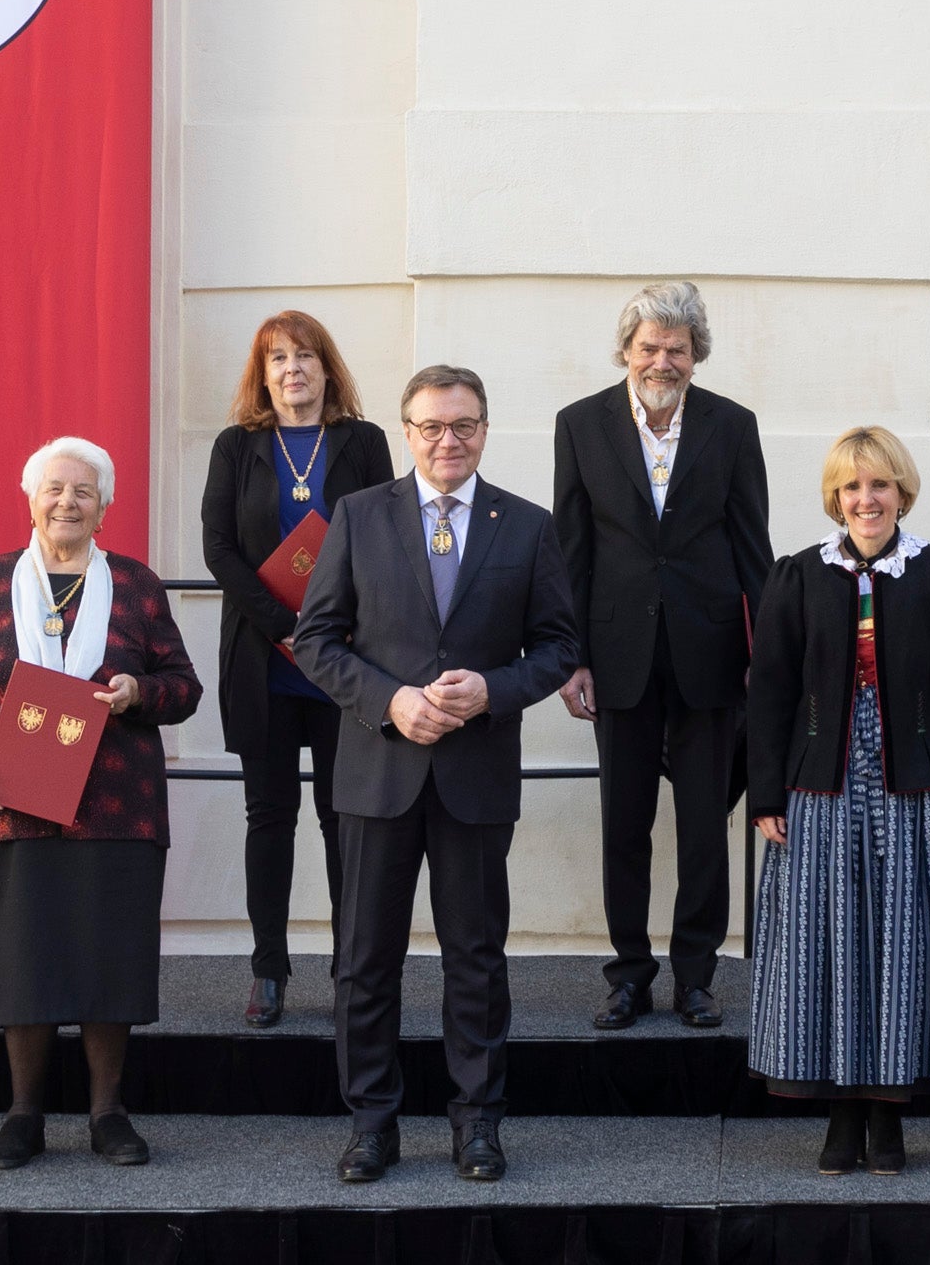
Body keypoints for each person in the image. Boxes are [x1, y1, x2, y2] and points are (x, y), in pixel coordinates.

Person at [289, 366, 580, 1185]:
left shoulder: (525, 526)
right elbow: (316, 640)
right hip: (378, 775)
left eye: (463, 426)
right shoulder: (356, 515)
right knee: (365, 960)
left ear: (484, 429)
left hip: (476, 775)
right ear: (407, 430)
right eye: (430, 427)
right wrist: (388, 702)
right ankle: (372, 1124)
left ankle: (477, 1125)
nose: (446, 441)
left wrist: (493, 689)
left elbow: (558, 647)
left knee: (476, 959)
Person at [0, 438, 205, 1172]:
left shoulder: (139, 587)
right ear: (29, 497)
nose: (67, 503)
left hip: (115, 806)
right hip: (8, 804)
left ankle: (108, 1113)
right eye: (54, 489)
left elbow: (185, 686)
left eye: (83, 492)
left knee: (105, 960)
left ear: (104, 506)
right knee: (24, 958)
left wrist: (138, 692)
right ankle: (24, 1114)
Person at [745, 427, 930, 1172]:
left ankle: (887, 1117)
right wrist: (766, 792)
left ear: (901, 493)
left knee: (901, 945)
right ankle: (838, 1116)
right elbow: (769, 694)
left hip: (913, 782)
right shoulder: (796, 574)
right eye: (852, 487)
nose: (866, 499)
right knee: (827, 945)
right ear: (835, 496)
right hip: (818, 783)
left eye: (880, 485)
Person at [552, 283, 771, 1032]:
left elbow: (752, 547)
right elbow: (570, 552)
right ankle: (628, 975)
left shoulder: (732, 426)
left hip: (709, 651)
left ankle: (696, 976)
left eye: (677, 348)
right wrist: (569, 657)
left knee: (706, 822)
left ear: (695, 354)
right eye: (649, 346)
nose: (662, 359)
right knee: (625, 823)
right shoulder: (579, 425)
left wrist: (760, 652)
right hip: (616, 653)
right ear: (626, 351)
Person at [198, 310, 393, 1030]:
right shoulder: (236, 446)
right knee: (268, 819)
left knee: (345, 822)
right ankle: (270, 968)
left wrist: (324, 632)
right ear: (263, 373)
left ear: (326, 367)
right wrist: (285, 626)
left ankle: (352, 969)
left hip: (344, 667)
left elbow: (383, 537)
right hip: (263, 663)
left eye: (305, 355)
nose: (293, 369)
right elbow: (219, 548)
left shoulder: (363, 442)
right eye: (278, 358)